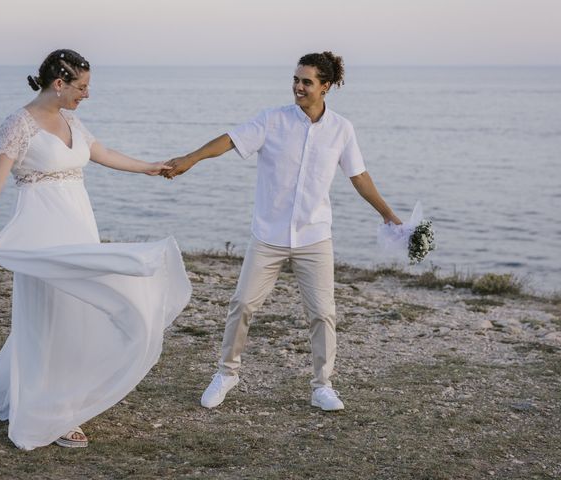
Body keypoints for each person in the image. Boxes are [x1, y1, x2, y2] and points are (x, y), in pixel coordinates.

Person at [0, 49, 192, 450]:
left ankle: (63, 395)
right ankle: (50, 410)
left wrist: (150, 167)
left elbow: (101, 153)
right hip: (44, 230)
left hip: (79, 226)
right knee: (52, 315)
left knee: (80, 312)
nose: (86, 94)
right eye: (81, 87)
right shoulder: (18, 124)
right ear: (59, 84)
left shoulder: (70, 119)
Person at [164, 51, 402, 412]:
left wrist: (389, 215)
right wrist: (190, 159)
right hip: (268, 236)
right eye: (295, 79)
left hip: (314, 237)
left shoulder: (342, 129)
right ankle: (226, 373)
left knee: (323, 314)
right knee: (242, 303)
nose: (298, 87)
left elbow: (359, 176)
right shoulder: (272, 120)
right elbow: (229, 140)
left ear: (326, 87)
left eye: (307, 82)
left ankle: (322, 385)